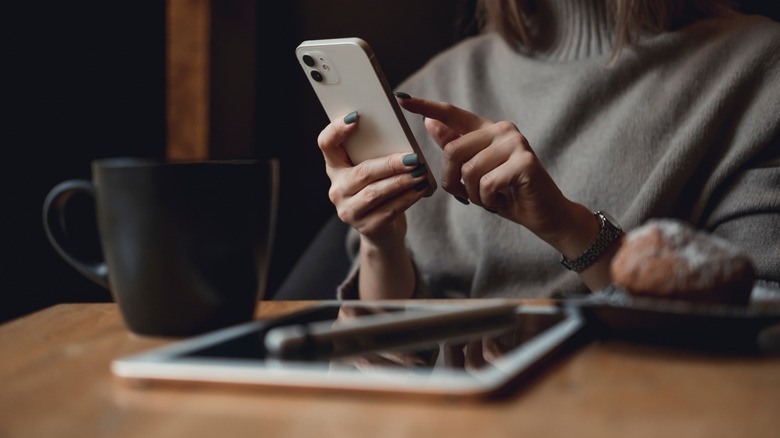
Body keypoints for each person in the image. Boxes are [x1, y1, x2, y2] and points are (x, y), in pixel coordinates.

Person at [315, 0, 780, 301]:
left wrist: (570, 227)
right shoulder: (432, 86)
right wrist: (381, 243)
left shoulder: (757, 68)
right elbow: (377, 349)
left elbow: (759, 330)